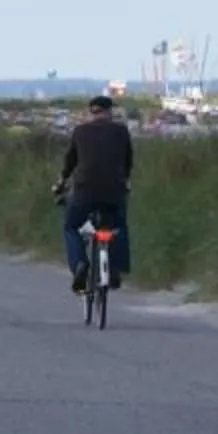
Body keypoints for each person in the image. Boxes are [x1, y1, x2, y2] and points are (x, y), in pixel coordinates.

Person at [53, 93, 133, 293]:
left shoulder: (80, 131)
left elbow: (70, 162)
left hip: (84, 191)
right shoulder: (121, 131)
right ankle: (115, 269)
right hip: (114, 191)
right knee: (119, 226)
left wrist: (61, 182)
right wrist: (124, 180)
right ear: (110, 112)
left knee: (71, 226)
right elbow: (127, 160)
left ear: (91, 112)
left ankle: (79, 263)